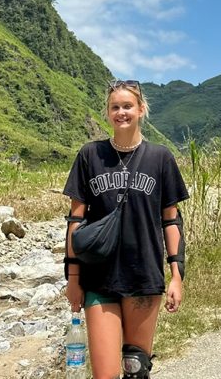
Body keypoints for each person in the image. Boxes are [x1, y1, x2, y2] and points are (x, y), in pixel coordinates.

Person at [63, 80, 189, 379]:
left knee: (136, 368)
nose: (121, 112)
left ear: (141, 109)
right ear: (107, 113)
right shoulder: (90, 155)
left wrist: (177, 276)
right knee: (104, 375)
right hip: (98, 276)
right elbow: (75, 221)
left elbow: (171, 221)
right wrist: (73, 279)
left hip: (143, 275)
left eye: (127, 106)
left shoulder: (161, 157)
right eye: (115, 107)